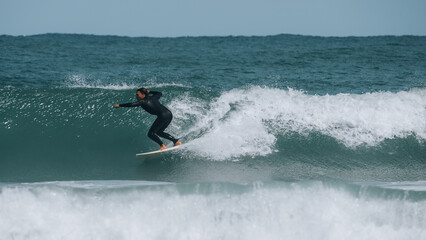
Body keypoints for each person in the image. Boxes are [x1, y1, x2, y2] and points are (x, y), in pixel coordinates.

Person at [114, 88, 182, 151]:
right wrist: (150, 92)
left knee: (151, 134)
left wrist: (120, 105)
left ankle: (162, 146)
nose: (136, 96)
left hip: (162, 116)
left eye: (137, 95)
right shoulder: (153, 97)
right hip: (169, 114)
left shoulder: (142, 101)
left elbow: (132, 104)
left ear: (143, 95)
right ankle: (176, 141)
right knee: (159, 132)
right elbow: (159, 93)